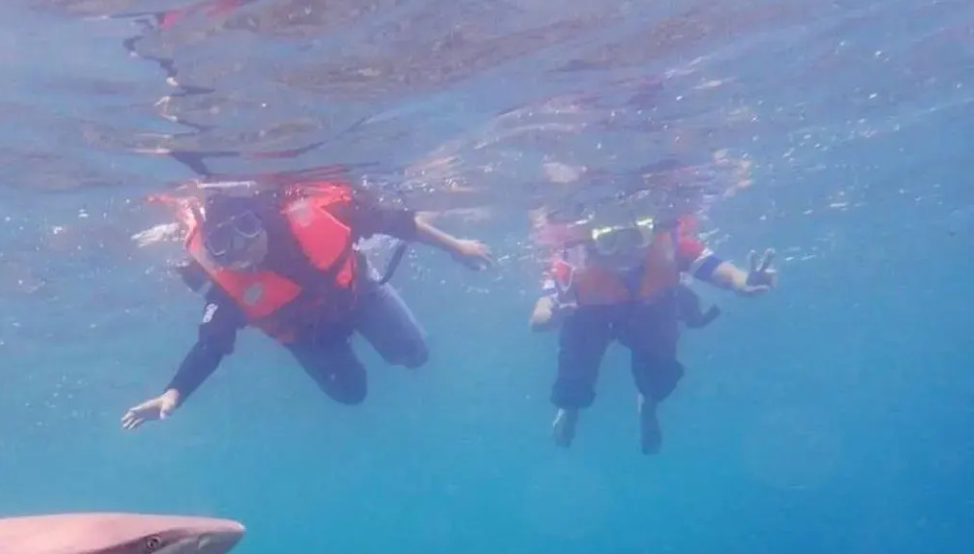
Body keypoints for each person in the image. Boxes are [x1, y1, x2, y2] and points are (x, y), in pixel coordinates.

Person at [121, 178, 494, 427]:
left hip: (359, 295)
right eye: (225, 245)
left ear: (260, 219)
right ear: (213, 254)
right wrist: (175, 393)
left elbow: (395, 221)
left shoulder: (313, 217)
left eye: (247, 229)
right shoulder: (231, 291)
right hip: (311, 339)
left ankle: (392, 345)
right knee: (352, 395)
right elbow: (210, 346)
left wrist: (457, 246)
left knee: (416, 355)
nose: (245, 248)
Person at [527, 203, 777, 454]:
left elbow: (720, 270)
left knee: (659, 367)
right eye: (610, 241)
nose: (625, 251)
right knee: (576, 361)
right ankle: (570, 407)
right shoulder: (572, 265)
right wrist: (553, 316)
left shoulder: (671, 245)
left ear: (651, 234)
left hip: (650, 307)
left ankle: (648, 405)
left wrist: (742, 281)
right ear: (591, 246)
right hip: (593, 312)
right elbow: (539, 316)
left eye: (636, 238)